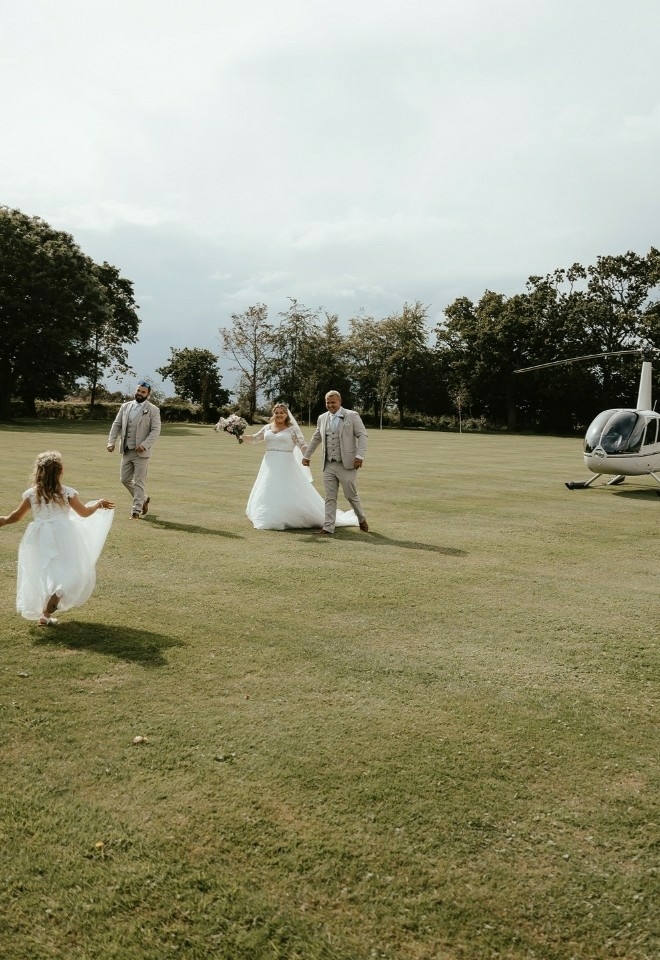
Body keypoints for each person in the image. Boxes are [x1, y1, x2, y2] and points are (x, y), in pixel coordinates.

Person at [0, 451, 114, 625]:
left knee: (45, 569)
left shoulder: (32, 494)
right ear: (61, 471)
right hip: (64, 534)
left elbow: (15, 516)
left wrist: (3, 521)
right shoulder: (67, 493)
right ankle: (53, 602)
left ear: (39, 472)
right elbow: (84, 513)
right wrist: (98, 504)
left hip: (38, 535)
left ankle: (46, 612)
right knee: (70, 568)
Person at [242, 403, 359, 531]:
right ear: (273, 414)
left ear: (286, 415)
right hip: (269, 463)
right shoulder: (267, 428)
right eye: (277, 413)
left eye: (282, 412)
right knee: (268, 487)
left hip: (286, 463)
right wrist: (239, 434)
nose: (279, 415)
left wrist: (306, 456)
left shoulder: (292, 429)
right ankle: (269, 515)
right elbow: (254, 439)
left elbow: (302, 445)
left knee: (288, 488)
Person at [302, 390, 369, 536]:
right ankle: (328, 527)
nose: (330, 405)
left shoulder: (352, 415)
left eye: (333, 402)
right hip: (328, 464)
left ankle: (361, 519)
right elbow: (316, 438)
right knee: (329, 497)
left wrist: (360, 455)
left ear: (340, 402)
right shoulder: (322, 418)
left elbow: (362, 435)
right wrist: (307, 456)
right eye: (328, 402)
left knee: (351, 495)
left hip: (347, 463)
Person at [107, 380, 161, 519]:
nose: (140, 393)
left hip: (142, 453)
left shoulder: (153, 410)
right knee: (124, 479)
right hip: (126, 450)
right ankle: (144, 499)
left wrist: (145, 444)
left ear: (148, 394)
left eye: (143, 392)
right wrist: (111, 442)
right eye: (138, 390)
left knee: (139, 481)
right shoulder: (125, 406)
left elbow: (156, 430)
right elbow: (117, 424)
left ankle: (136, 511)